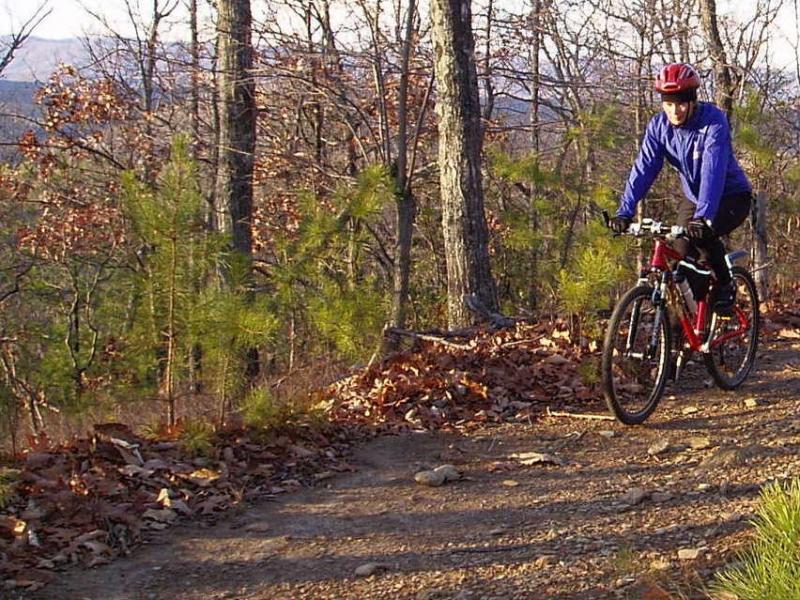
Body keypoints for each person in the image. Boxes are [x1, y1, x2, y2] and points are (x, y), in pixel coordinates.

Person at [610, 63, 753, 313]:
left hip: (731, 197)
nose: (674, 111)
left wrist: (704, 217)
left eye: (680, 104)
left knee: (703, 238)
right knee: (680, 262)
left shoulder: (712, 122)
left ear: (692, 101)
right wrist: (625, 211)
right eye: (668, 104)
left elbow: (713, 170)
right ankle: (681, 338)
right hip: (694, 198)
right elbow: (644, 169)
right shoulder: (659, 127)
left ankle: (726, 284)